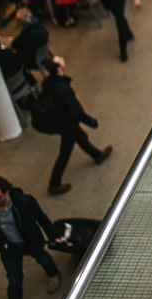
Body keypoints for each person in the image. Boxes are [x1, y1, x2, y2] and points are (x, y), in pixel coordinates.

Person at [40, 57, 112, 196]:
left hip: (61, 121)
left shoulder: (48, 83)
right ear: (59, 68)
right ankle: (54, 184)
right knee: (65, 152)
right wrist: (91, 122)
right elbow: (76, 111)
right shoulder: (63, 88)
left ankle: (97, 155)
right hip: (67, 124)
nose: (61, 58)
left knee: (81, 138)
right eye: (59, 60)